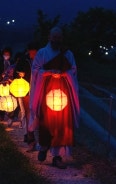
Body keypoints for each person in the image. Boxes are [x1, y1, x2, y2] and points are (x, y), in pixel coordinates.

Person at [29, 27, 80, 169]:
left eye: (59, 37)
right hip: (47, 94)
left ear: (62, 38)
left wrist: (64, 74)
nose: (56, 40)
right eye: (54, 37)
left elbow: (73, 71)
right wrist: (48, 72)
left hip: (63, 96)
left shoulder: (68, 54)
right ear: (49, 37)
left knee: (62, 125)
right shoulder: (42, 53)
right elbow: (35, 70)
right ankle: (44, 147)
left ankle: (57, 156)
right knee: (46, 122)